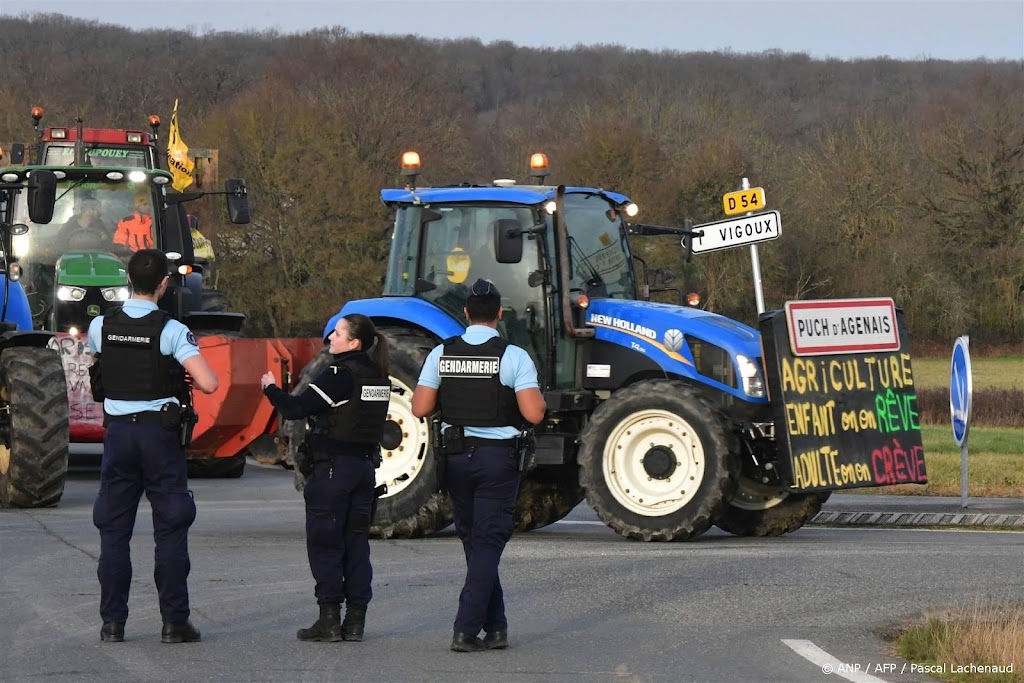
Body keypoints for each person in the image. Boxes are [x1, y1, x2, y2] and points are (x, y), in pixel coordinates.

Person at [87, 248, 219, 644]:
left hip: (118, 437)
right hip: (159, 438)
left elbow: (100, 365)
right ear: (164, 283)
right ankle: (174, 624)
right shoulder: (172, 330)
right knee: (171, 529)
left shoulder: (101, 326)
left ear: (129, 280)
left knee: (113, 532)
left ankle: (113, 624)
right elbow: (209, 383)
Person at [411, 278, 546, 653]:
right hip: (497, 460)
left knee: (476, 543)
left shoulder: (442, 353)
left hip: (456, 459)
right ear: (499, 315)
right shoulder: (513, 356)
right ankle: (466, 628)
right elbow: (533, 414)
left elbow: (420, 408)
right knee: (486, 543)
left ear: (466, 314)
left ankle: (497, 627)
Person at [260, 313, 391, 643]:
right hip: (364, 470)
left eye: (337, 333)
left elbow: (295, 408)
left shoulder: (339, 374)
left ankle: (330, 620)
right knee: (356, 546)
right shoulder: (378, 376)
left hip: (334, 471)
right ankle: (356, 622)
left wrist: (270, 389)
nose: (330, 337)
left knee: (326, 545)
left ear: (354, 343)